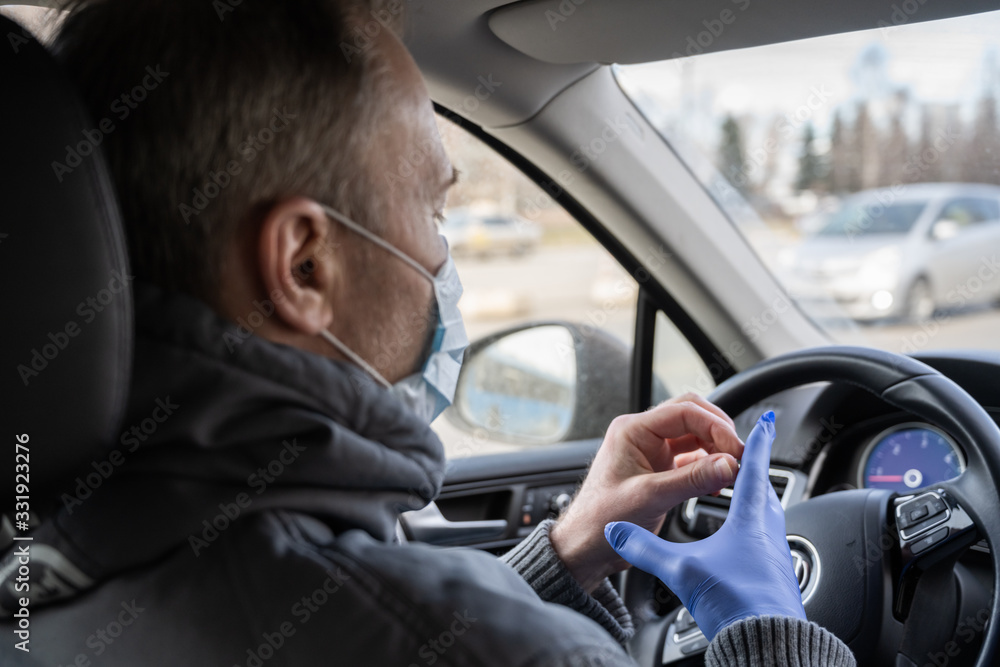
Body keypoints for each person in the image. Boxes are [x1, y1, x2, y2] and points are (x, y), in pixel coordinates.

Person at [0, 1, 855, 665]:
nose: (443, 255)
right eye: (435, 209)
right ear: (305, 268)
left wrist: (559, 557)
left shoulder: (42, 569)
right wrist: (770, 629)